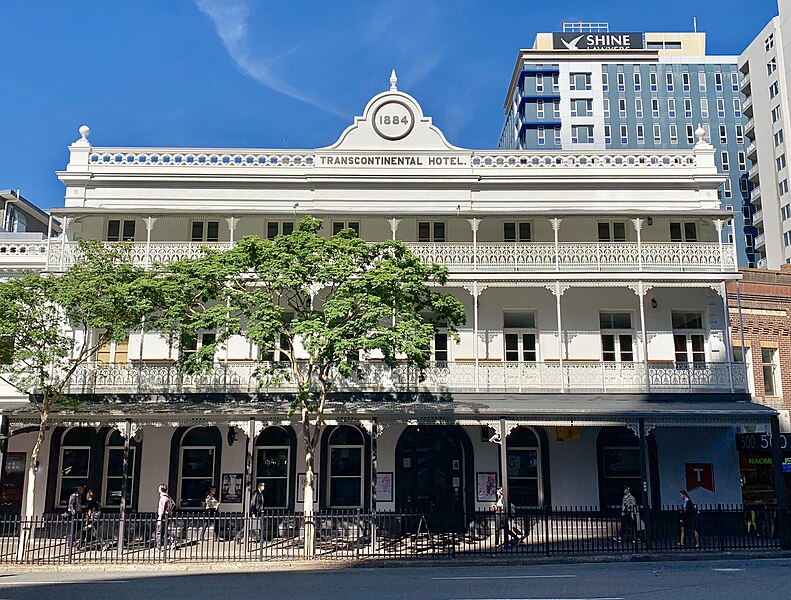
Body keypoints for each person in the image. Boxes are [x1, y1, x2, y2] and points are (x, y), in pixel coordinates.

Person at [155, 483, 172, 550]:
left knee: (159, 532)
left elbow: (161, 509)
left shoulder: (163, 498)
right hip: (165, 516)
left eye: (159, 488)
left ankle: (158, 546)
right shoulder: (166, 497)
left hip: (162, 517)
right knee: (165, 531)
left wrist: (159, 518)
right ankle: (173, 541)